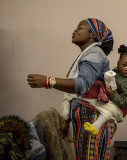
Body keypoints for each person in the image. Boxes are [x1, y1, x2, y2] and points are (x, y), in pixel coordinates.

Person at [27, 18, 115, 160]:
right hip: (87, 118)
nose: (75, 30)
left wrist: (48, 81)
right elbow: (75, 93)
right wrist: (67, 121)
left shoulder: (95, 54)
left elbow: (82, 84)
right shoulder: (87, 54)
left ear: (92, 35)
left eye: (80, 28)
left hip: (93, 120)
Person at [84, 44, 127, 135]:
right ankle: (79, 131)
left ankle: (95, 127)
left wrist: (112, 94)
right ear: (118, 63)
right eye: (124, 65)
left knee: (109, 110)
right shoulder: (116, 72)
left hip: (121, 108)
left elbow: (125, 102)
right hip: (112, 98)